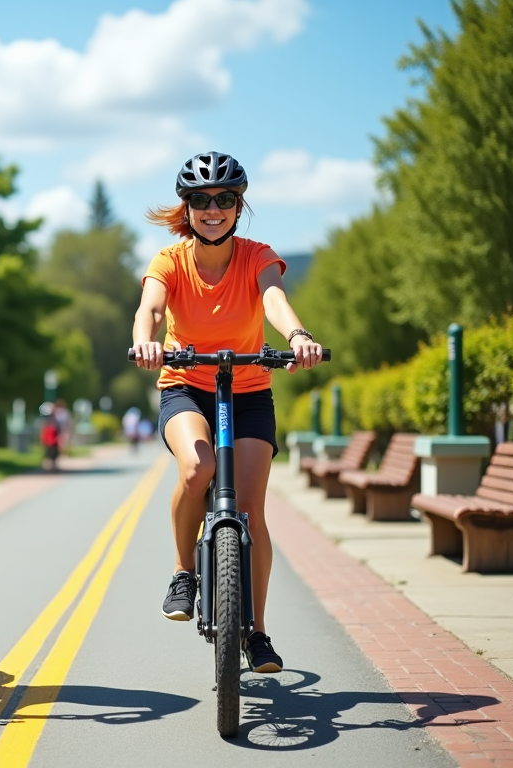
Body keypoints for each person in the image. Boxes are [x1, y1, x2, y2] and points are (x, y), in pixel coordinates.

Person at [130, 151, 323, 673]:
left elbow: (274, 301)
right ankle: (182, 572)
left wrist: (299, 336)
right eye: (200, 200)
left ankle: (258, 633)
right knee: (198, 469)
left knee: (252, 512)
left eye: (224, 200)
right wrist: (146, 342)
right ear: (187, 207)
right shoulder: (169, 262)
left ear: (239, 206)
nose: (212, 209)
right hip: (186, 386)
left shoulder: (258, 255)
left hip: (250, 389)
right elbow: (149, 307)